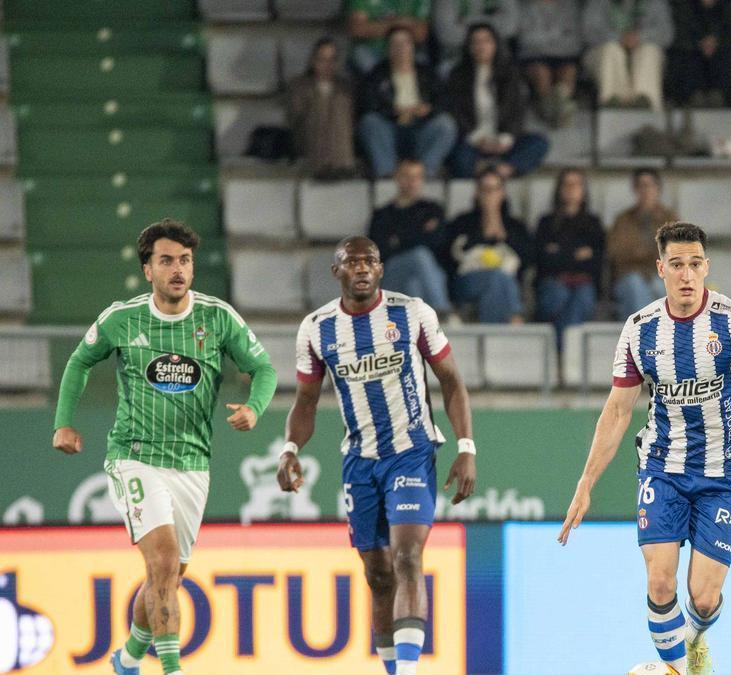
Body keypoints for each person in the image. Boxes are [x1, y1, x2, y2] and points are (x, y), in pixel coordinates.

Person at [558, 221, 731, 675]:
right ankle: (677, 671)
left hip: (722, 472)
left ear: (706, 267)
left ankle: (691, 643)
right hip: (663, 468)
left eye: (695, 264)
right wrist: (585, 482)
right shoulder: (640, 330)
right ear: (661, 269)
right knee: (660, 582)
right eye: (677, 265)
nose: (687, 275)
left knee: (703, 596)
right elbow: (617, 412)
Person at [52, 220, 278, 675]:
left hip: (193, 463)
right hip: (135, 456)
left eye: (185, 261)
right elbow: (79, 361)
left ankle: (128, 657)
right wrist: (64, 423)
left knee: (169, 577)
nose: (178, 269)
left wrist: (255, 408)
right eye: (167, 260)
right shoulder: (123, 317)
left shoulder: (217, 318)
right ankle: (172, 669)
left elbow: (264, 368)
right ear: (147, 270)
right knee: (162, 561)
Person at [279, 235, 476, 675]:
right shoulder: (317, 328)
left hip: (411, 451)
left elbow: (450, 380)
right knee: (378, 575)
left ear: (382, 270)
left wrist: (466, 446)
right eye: (352, 262)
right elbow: (306, 400)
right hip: (359, 460)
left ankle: (407, 670)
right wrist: (290, 448)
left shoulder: (412, 313)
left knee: (408, 557)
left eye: (370, 261)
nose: (363, 268)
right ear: (337, 272)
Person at [445, 23, 550, 179]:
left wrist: (505, 138)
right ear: (468, 46)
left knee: (539, 143)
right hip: (473, 142)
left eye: (486, 41)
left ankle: (497, 171)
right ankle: (493, 173)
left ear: (495, 44)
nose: (481, 46)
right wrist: (476, 138)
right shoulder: (457, 76)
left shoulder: (511, 74)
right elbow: (455, 112)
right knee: (458, 157)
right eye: (475, 42)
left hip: (503, 142)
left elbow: (517, 111)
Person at [357, 26, 459, 179]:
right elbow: (368, 104)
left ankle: (423, 175)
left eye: (405, 43)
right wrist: (393, 111)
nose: (401, 48)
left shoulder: (428, 73)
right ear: (388, 49)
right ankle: (387, 175)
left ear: (413, 47)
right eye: (395, 44)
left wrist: (428, 110)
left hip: (421, 128)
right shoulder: (376, 74)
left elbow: (444, 101)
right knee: (370, 122)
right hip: (390, 128)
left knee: (446, 125)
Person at [445, 168, 533, 323]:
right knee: (495, 277)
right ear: (477, 193)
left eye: (494, 189)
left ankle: (493, 334)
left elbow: (527, 261)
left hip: (506, 282)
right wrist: (482, 233)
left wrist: (504, 234)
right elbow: (450, 258)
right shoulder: (462, 222)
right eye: (485, 189)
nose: (489, 194)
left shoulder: (515, 226)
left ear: (503, 193)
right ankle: (515, 317)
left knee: (496, 284)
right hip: (466, 281)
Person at [368, 160, 453, 317]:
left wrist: (400, 238)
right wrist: (421, 234)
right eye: (407, 176)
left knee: (415, 283)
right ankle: (442, 313)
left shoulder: (433, 209)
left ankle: (422, 328)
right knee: (419, 255)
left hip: (428, 274)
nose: (412, 182)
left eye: (417, 177)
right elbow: (380, 251)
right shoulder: (382, 215)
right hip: (391, 275)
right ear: (397, 178)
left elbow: (440, 243)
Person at [533, 168, 606, 347]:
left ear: (583, 190)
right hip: (552, 283)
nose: (571, 189)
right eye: (567, 184)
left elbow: (597, 262)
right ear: (559, 189)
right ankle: (569, 356)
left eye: (576, 184)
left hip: (584, 283)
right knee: (559, 295)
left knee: (581, 297)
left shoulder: (593, 223)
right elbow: (542, 261)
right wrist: (577, 255)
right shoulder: (546, 223)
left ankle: (559, 352)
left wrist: (559, 253)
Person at [609, 168, 678, 319]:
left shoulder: (669, 219)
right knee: (635, 286)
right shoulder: (623, 220)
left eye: (650, 185)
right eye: (641, 185)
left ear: (658, 189)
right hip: (629, 275)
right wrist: (651, 253)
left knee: (662, 287)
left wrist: (640, 253)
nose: (646, 190)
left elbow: (675, 252)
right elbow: (618, 252)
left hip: (661, 275)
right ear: (635, 189)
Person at [582, 0, 674, 110]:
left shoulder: (656, 2)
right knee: (611, 50)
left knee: (648, 51)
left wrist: (640, 38)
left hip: (643, 48)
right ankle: (613, 104)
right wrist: (620, 38)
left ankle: (645, 104)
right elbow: (589, 32)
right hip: (604, 51)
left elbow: (666, 33)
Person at [287, 37, 357, 179]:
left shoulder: (346, 88)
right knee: (319, 109)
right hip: (310, 139)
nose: (327, 65)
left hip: (340, 141)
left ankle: (339, 162)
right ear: (313, 61)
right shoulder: (299, 86)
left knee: (338, 109)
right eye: (322, 59)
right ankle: (326, 163)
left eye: (332, 60)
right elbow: (296, 118)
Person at [666, 0, 731, 108]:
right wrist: (700, 43)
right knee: (684, 59)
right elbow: (677, 36)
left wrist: (717, 42)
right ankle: (693, 96)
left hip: (723, 52)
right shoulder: (683, 6)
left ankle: (722, 97)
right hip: (692, 53)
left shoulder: (730, 7)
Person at [518, 0, 584, 127]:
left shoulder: (571, 6)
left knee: (568, 71)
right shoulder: (526, 7)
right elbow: (526, 38)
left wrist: (546, 38)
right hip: (534, 55)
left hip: (565, 55)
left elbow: (575, 39)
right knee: (541, 73)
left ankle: (560, 108)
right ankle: (551, 111)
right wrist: (558, 37)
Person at [432, 0, 519, 73]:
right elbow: (447, 35)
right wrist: (492, 20)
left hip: (499, 58)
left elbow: (510, 26)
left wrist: (465, 21)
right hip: (456, 59)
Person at [346, 0, 432, 74]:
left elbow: (421, 34)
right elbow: (358, 29)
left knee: (423, 66)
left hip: (407, 49)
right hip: (372, 50)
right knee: (364, 59)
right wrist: (398, 23)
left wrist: (380, 26)